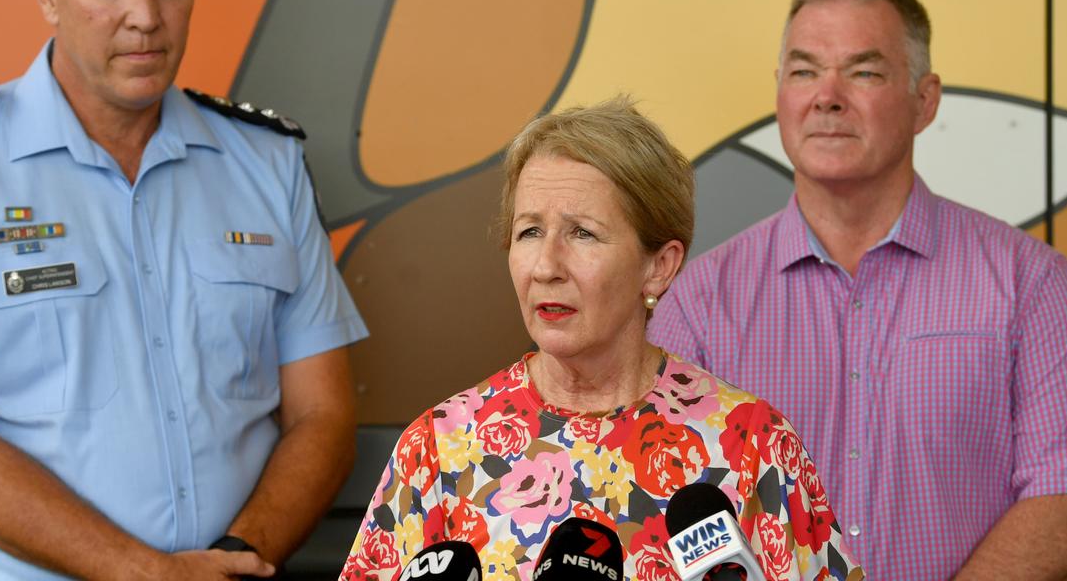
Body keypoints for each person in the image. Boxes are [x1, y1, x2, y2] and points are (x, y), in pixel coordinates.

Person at [0, 0, 368, 578]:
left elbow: (324, 417)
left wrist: (235, 559)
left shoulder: (265, 162)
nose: (146, 16)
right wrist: (144, 572)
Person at [649, 0, 1067, 580]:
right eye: (803, 71)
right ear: (780, 91)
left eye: (864, 71)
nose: (825, 96)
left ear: (924, 101)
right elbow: (663, 506)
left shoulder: (1032, 284)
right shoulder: (698, 301)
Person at [341, 99, 863, 580]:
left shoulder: (752, 445)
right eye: (528, 232)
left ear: (659, 267)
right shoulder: (438, 449)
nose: (546, 266)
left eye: (583, 233)